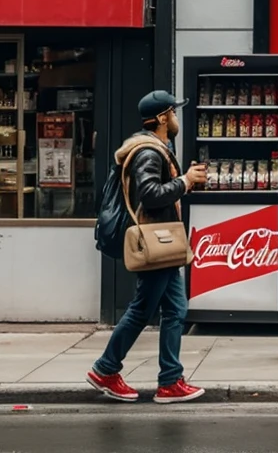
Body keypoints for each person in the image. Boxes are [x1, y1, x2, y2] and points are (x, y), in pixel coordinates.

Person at [87, 90, 207, 403]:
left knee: (175, 310)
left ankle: (170, 380)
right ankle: (106, 369)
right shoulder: (148, 152)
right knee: (143, 309)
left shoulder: (156, 148)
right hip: (157, 242)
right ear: (164, 117)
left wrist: (184, 182)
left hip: (165, 244)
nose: (178, 118)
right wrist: (185, 181)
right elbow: (151, 194)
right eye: (174, 113)